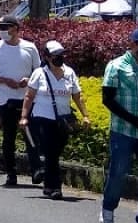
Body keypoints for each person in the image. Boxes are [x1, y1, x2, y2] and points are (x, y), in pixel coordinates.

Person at [20, 41, 89, 201]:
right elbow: (29, 96)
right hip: (42, 117)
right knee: (51, 152)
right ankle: (56, 186)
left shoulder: (69, 73)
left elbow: (77, 96)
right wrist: (24, 117)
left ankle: (48, 185)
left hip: (62, 119)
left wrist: (85, 115)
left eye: (60, 54)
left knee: (55, 152)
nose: (59, 58)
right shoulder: (39, 73)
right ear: (47, 57)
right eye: (55, 55)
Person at [0, 16, 42, 187]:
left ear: (16, 28)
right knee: (9, 137)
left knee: (30, 135)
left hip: (26, 99)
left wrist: (28, 79)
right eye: (0, 27)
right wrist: (3, 80)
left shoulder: (29, 47)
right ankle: (11, 172)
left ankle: (36, 169)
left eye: (6, 27)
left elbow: (38, 72)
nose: (2, 31)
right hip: (5, 99)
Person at [99, 28, 138, 223]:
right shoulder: (116, 66)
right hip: (123, 129)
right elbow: (107, 99)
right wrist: (133, 120)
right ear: (133, 44)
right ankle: (108, 208)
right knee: (118, 172)